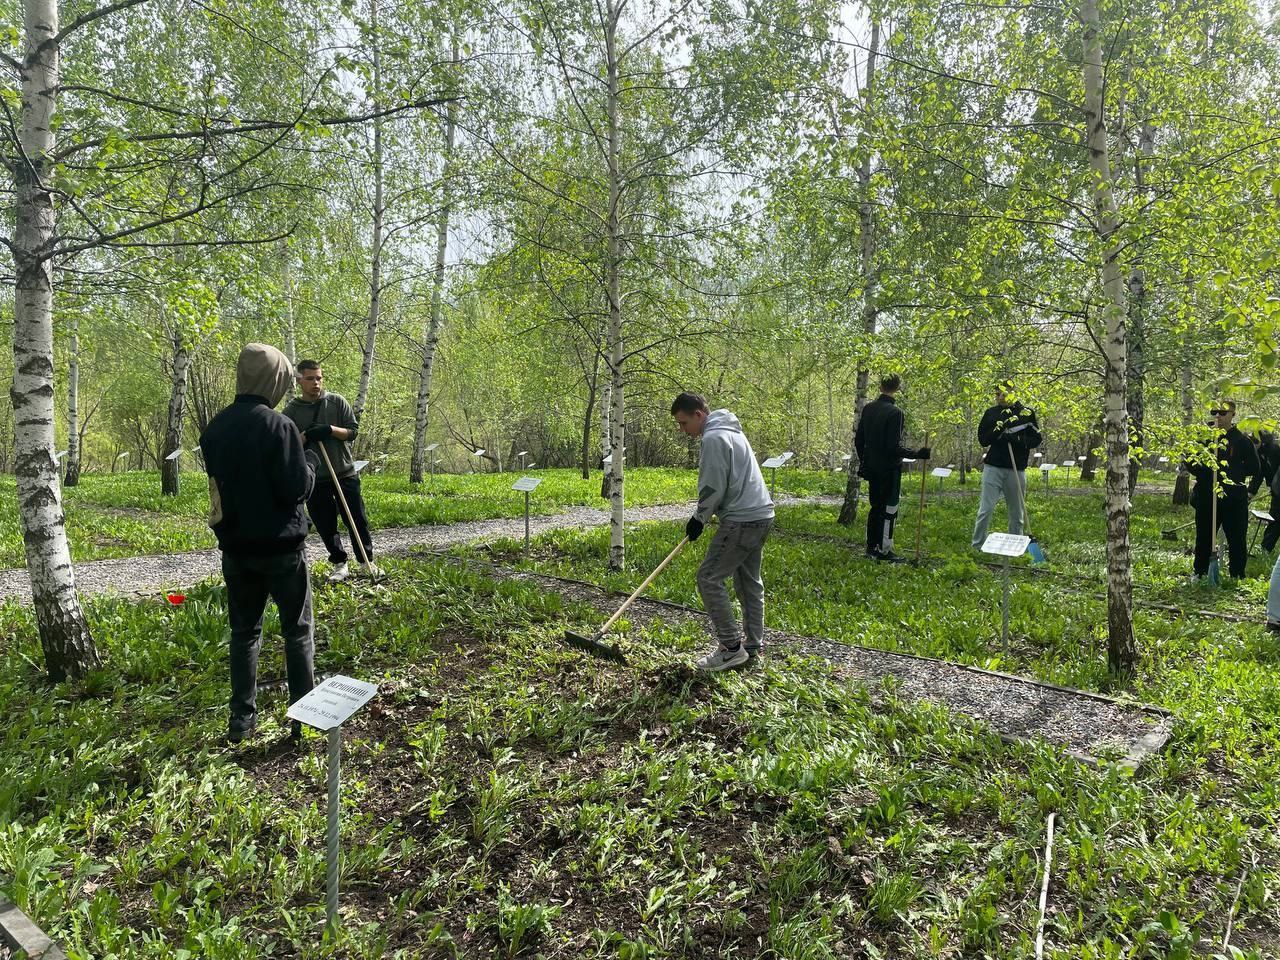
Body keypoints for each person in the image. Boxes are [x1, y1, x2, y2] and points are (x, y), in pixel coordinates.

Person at [200, 343, 318, 743]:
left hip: (236, 550)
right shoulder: (279, 426)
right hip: (282, 550)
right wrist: (311, 464)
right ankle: (304, 719)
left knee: (244, 633)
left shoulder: (215, 428)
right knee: (297, 631)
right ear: (273, 378)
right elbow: (295, 489)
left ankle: (241, 721)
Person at [671, 392, 775, 672]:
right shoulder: (733, 432)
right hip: (763, 514)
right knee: (748, 581)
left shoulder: (714, 438)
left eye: (683, 423)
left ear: (698, 415)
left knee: (708, 578)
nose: (683, 431)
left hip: (742, 520)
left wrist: (699, 518)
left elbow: (713, 484)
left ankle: (731, 648)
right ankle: (753, 645)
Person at [282, 360, 379, 581]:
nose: (316, 383)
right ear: (299, 381)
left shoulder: (336, 402)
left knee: (356, 518)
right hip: (315, 477)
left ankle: (366, 562)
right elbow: (288, 444)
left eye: (319, 378)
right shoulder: (291, 411)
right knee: (326, 523)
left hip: (344, 472)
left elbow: (352, 432)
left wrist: (330, 430)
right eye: (310, 379)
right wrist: (306, 436)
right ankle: (339, 563)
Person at [854, 374, 930, 562]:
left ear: (880, 386)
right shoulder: (895, 413)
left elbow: (859, 440)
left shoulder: (869, 409)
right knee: (888, 509)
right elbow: (892, 447)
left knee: (875, 507)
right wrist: (917, 454)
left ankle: (871, 547)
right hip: (888, 469)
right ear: (897, 387)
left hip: (871, 467)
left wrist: (866, 459)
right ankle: (885, 550)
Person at [1189, 401, 1259, 580]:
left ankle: (1237, 575)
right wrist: (1205, 471)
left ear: (1233, 414)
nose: (1218, 416)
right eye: (1215, 412)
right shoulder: (1204, 437)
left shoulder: (1242, 440)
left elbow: (1254, 468)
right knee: (1204, 536)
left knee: (1236, 538)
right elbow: (1190, 461)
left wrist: (1231, 472)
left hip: (1234, 498)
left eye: (1223, 412)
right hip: (1207, 495)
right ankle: (1200, 573)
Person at [972, 381, 1043, 549]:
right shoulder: (991, 413)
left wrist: (1017, 440)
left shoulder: (1026, 413)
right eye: (997, 394)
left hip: (1016, 469)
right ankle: (977, 545)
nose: (1000, 397)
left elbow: (1036, 439)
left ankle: (1016, 545)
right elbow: (983, 439)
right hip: (993, 468)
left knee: (1017, 512)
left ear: (1013, 393)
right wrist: (998, 432)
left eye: (1004, 394)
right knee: (986, 509)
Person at [1250, 430, 1280, 553]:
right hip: (1277, 492)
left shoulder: (1273, 450)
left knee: (1276, 519)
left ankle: (1266, 547)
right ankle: (1266, 548)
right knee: (1274, 519)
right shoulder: (1259, 453)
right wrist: (1250, 492)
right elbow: (1259, 473)